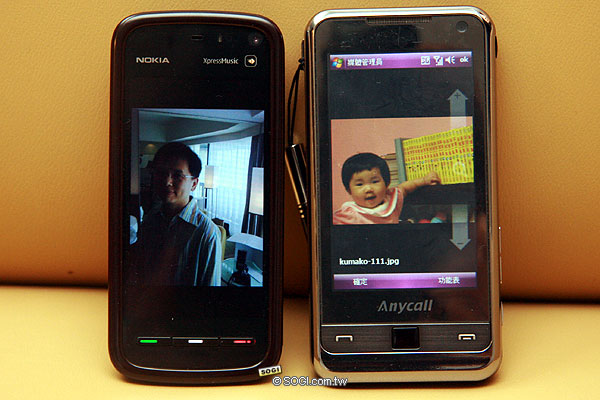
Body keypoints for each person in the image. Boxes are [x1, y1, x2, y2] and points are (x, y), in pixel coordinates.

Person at [133, 142, 222, 286]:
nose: (167, 182)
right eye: (161, 173)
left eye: (177, 175)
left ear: (194, 184)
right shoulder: (151, 218)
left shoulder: (206, 232)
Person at [333, 152, 441, 225]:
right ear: (349, 190)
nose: (368, 189)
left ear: (387, 183)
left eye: (375, 182)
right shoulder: (347, 214)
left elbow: (405, 188)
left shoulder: (391, 199)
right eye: (360, 184)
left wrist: (424, 180)